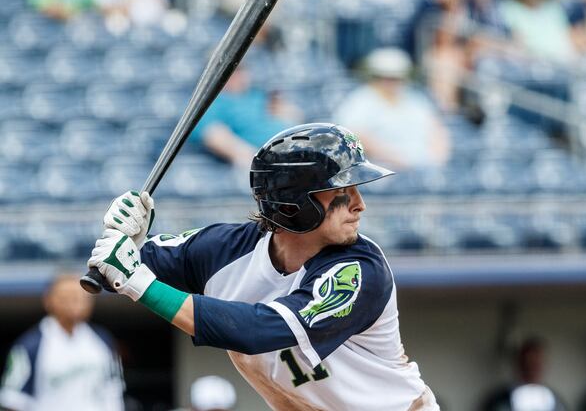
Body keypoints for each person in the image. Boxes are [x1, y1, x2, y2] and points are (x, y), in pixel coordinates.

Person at [86, 123, 438, 410]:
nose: (359, 205)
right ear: (292, 206)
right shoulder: (222, 249)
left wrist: (139, 283)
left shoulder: (361, 269)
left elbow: (257, 331)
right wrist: (128, 241)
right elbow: (110, 270)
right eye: (342, 192)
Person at [0, 274, 124, 411]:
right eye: (67, 297)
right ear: (48, 300)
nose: (75, 303)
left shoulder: (103, 339)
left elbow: (114, 392)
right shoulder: (29, 345)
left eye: (81, 297)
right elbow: (13, 400)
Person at [333, 47, 450, 170]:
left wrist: (436, 159)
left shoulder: (415, 99)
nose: (390, 82)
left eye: (396, 77)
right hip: (380, 170)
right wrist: (395, 158)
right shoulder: (360, 101)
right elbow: (353, 136)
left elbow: (436, 129)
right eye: (385, 77)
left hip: (424, 167)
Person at [188, 64, 299, 169]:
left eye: (240, 69)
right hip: (261, 162)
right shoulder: (213, 102)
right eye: (231, 70)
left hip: (289, 151)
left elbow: (293, 117)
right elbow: (214, 136)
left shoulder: (257, 94)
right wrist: (260, 160)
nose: (238, 75)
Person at [480, 337, 566, 411]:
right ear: (518, 365)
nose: (532, 370)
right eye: (527, 364)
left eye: (536, 364)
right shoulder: (500, 400)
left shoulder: (554, 400)